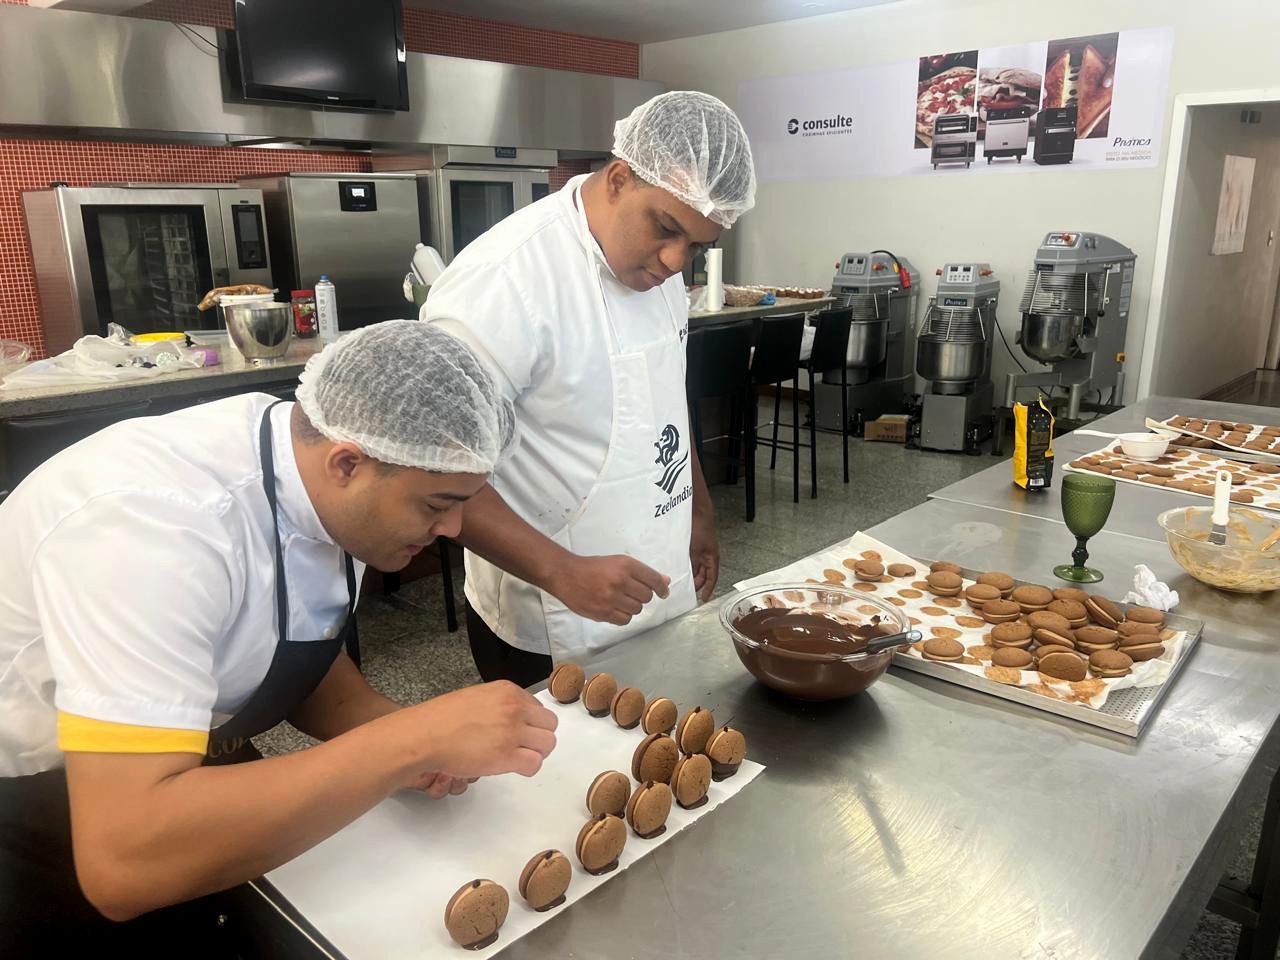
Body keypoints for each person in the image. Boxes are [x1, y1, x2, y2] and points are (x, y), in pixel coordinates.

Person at [0, 321, 558, 955]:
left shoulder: (310, 470)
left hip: (195, 749)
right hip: (47, 802)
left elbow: (299, 655)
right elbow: (123, 860)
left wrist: (404, 739)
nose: (455, 526)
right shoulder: (151, 532)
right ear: (347, 463)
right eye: (436, 505)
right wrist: (405, 743)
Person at [423, 91, 757, 686]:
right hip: (551, 620)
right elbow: (430, 468)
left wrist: (698, 512)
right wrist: (561, 571)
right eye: (667, 228)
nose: (677, 260)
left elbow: (664, 407)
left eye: (699, 245)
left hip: (659, 581)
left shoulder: (653, 269)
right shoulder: (503, 282)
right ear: (621, 179)